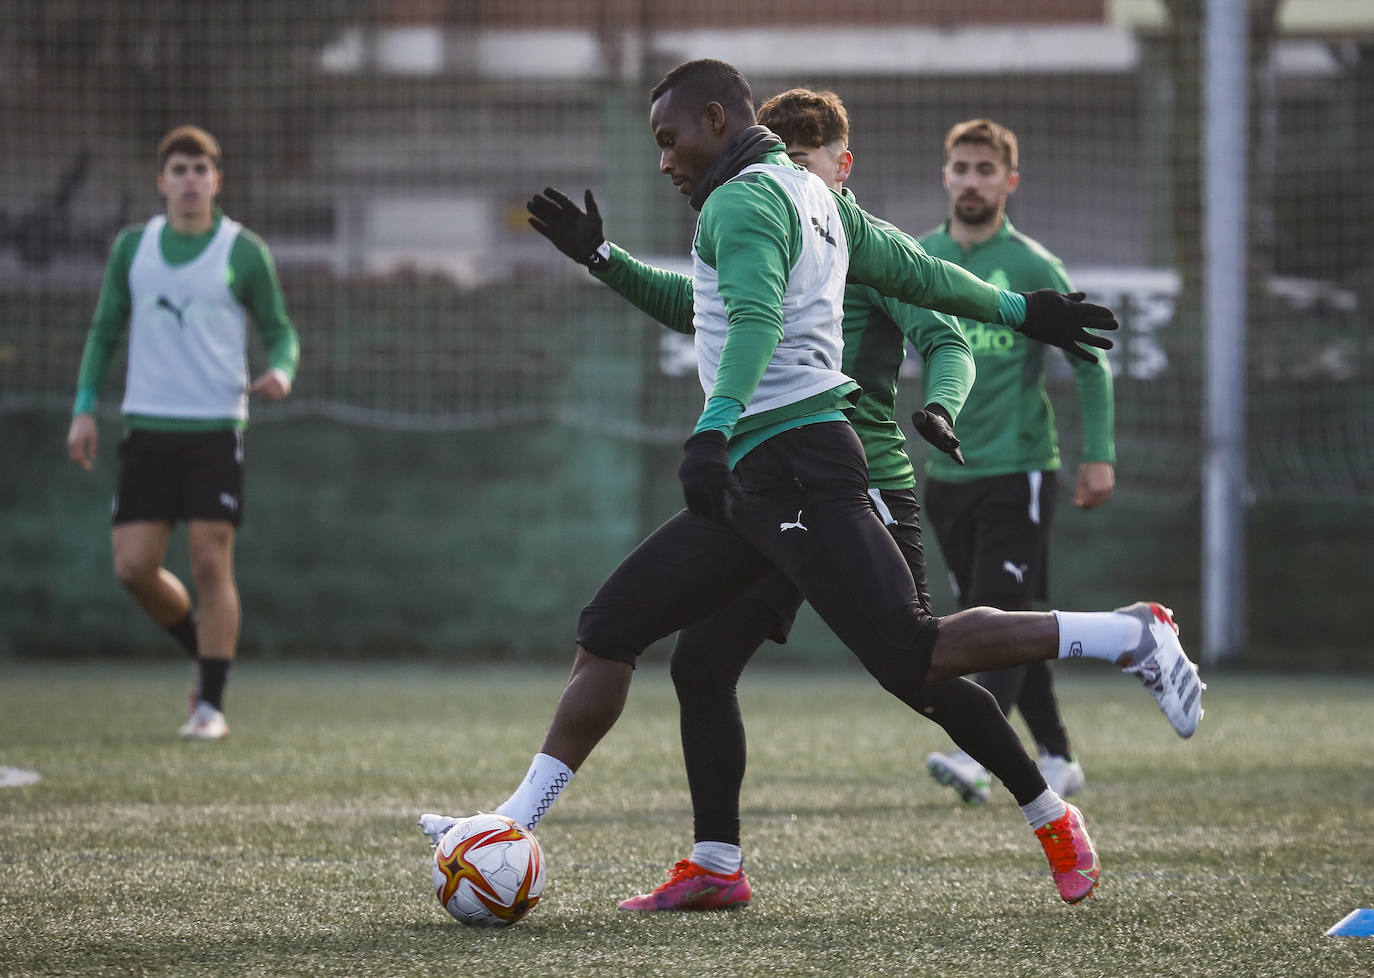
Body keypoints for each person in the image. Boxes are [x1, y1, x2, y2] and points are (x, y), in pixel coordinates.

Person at [420, 58, 1203, 911]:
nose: (663, 160)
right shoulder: (807, 197)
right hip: (766, 474)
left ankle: (1126, 637)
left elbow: (783, 317)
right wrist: (603, 258)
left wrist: (711, 431)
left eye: (669, 139)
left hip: (799, 464)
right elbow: (867, 277)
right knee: (625, 631)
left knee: (916, 658)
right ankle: (549, 831)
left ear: (716, 118)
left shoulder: (744, 198)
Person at [66, 125, 300, 741]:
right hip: (147, 427)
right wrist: (84, 407)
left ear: (217, 180)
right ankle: (203, 646)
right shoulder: (132, 248)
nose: (190, 179)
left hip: (215, 429)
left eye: (201, 168)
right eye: (180, 169)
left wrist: (280, 371)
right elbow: (104, 330)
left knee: (208, 557)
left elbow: (280, 331)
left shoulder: (242, 251)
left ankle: (209, 706)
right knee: (133, 567)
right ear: (161, 181)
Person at [920, 119, 1114, 806]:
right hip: (946, 476)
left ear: (1009, 181)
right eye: (960, 168)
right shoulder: (919, 257)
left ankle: (978, 755)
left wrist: (1099, 456)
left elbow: (1088, 360)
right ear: (945, 177)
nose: (971, 180)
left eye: (984, 169)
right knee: (1002, 620)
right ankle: (1058, 754)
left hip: (1019, 470)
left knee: (996, 610)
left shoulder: (1033, 266)